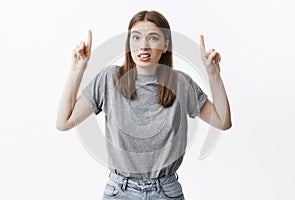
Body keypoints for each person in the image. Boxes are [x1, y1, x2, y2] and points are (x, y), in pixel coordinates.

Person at [56, 10, 231, 200]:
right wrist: (76, 71)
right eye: (136, 38)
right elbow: (63, 122)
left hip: (165, 192)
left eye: (153, 38)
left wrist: (213, 75)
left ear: (165, 45)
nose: (143, 46)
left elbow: (222, 121)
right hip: (119, 192)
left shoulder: (180, 83)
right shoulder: (109, 79)